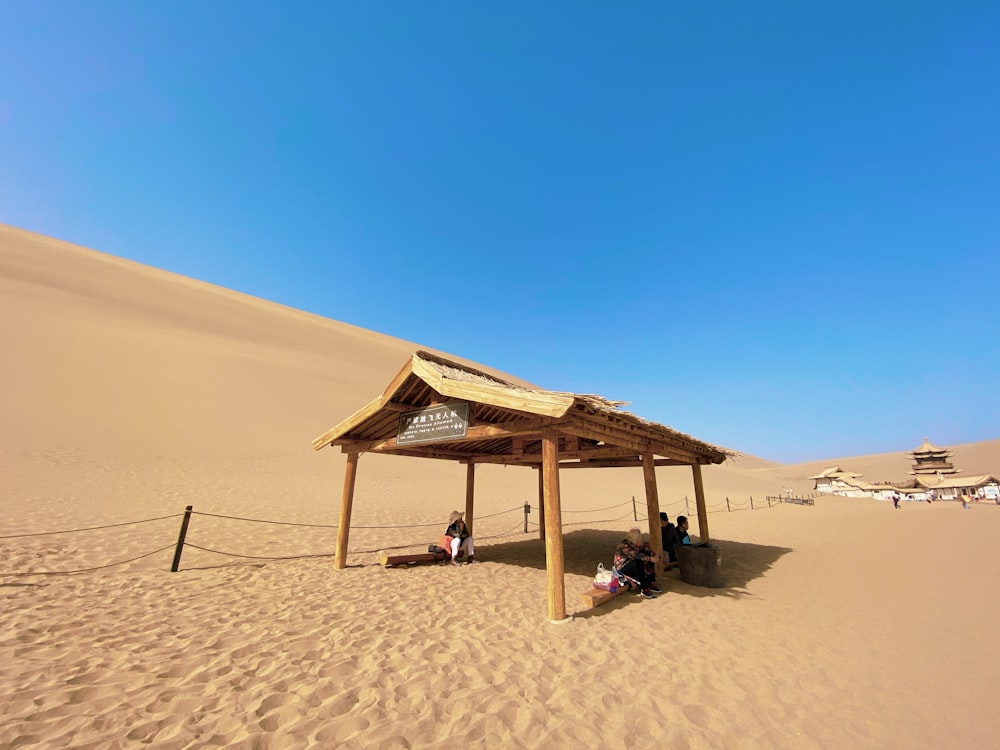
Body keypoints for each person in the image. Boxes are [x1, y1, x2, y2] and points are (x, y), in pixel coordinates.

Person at [613, 528, 660, 599]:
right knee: (638, 561)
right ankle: (644, 588)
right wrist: (650, 558)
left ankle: (650, 583)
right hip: (622, 568)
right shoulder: (625, 545)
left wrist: (654, 555)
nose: (641, 539)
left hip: (630, 564)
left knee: (648, 560)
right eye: (639, 538)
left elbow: (645, 550)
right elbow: (635, 555)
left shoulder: (635, 544)